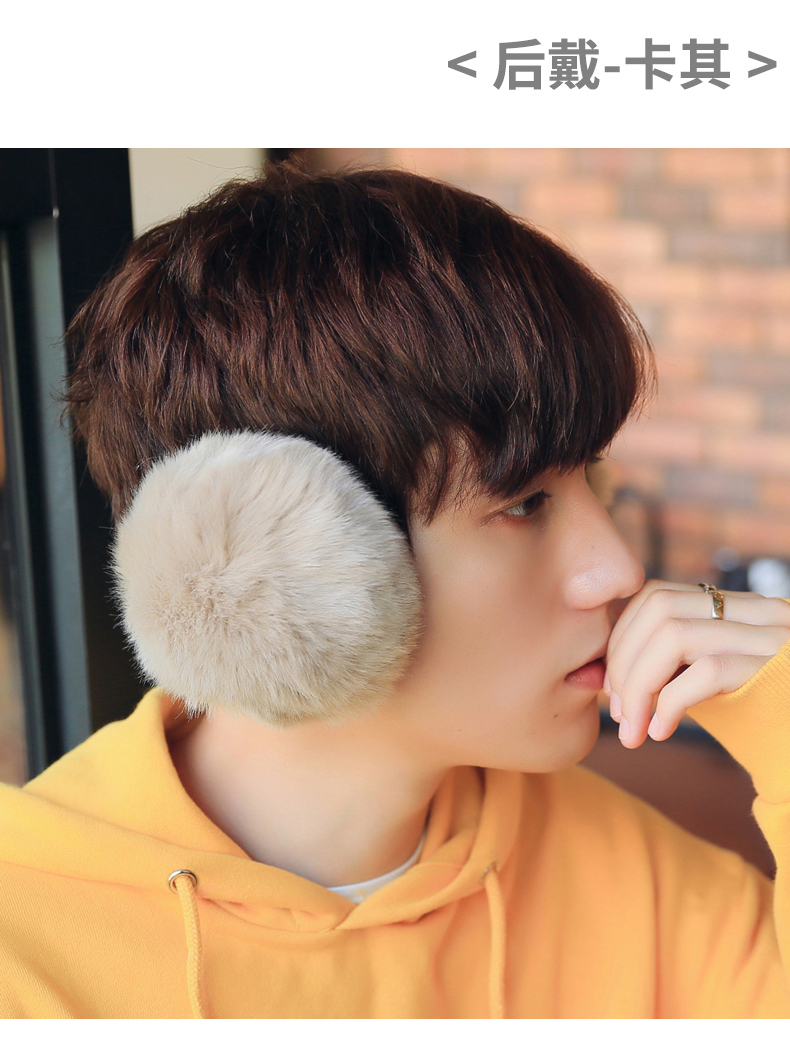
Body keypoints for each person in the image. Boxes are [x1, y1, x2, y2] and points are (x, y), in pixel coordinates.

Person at [1, 163, 789, 1019]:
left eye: (589, 481)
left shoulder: (629, 874)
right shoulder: (26, 953)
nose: (618, 570)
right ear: (288, 551)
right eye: (524, 504)